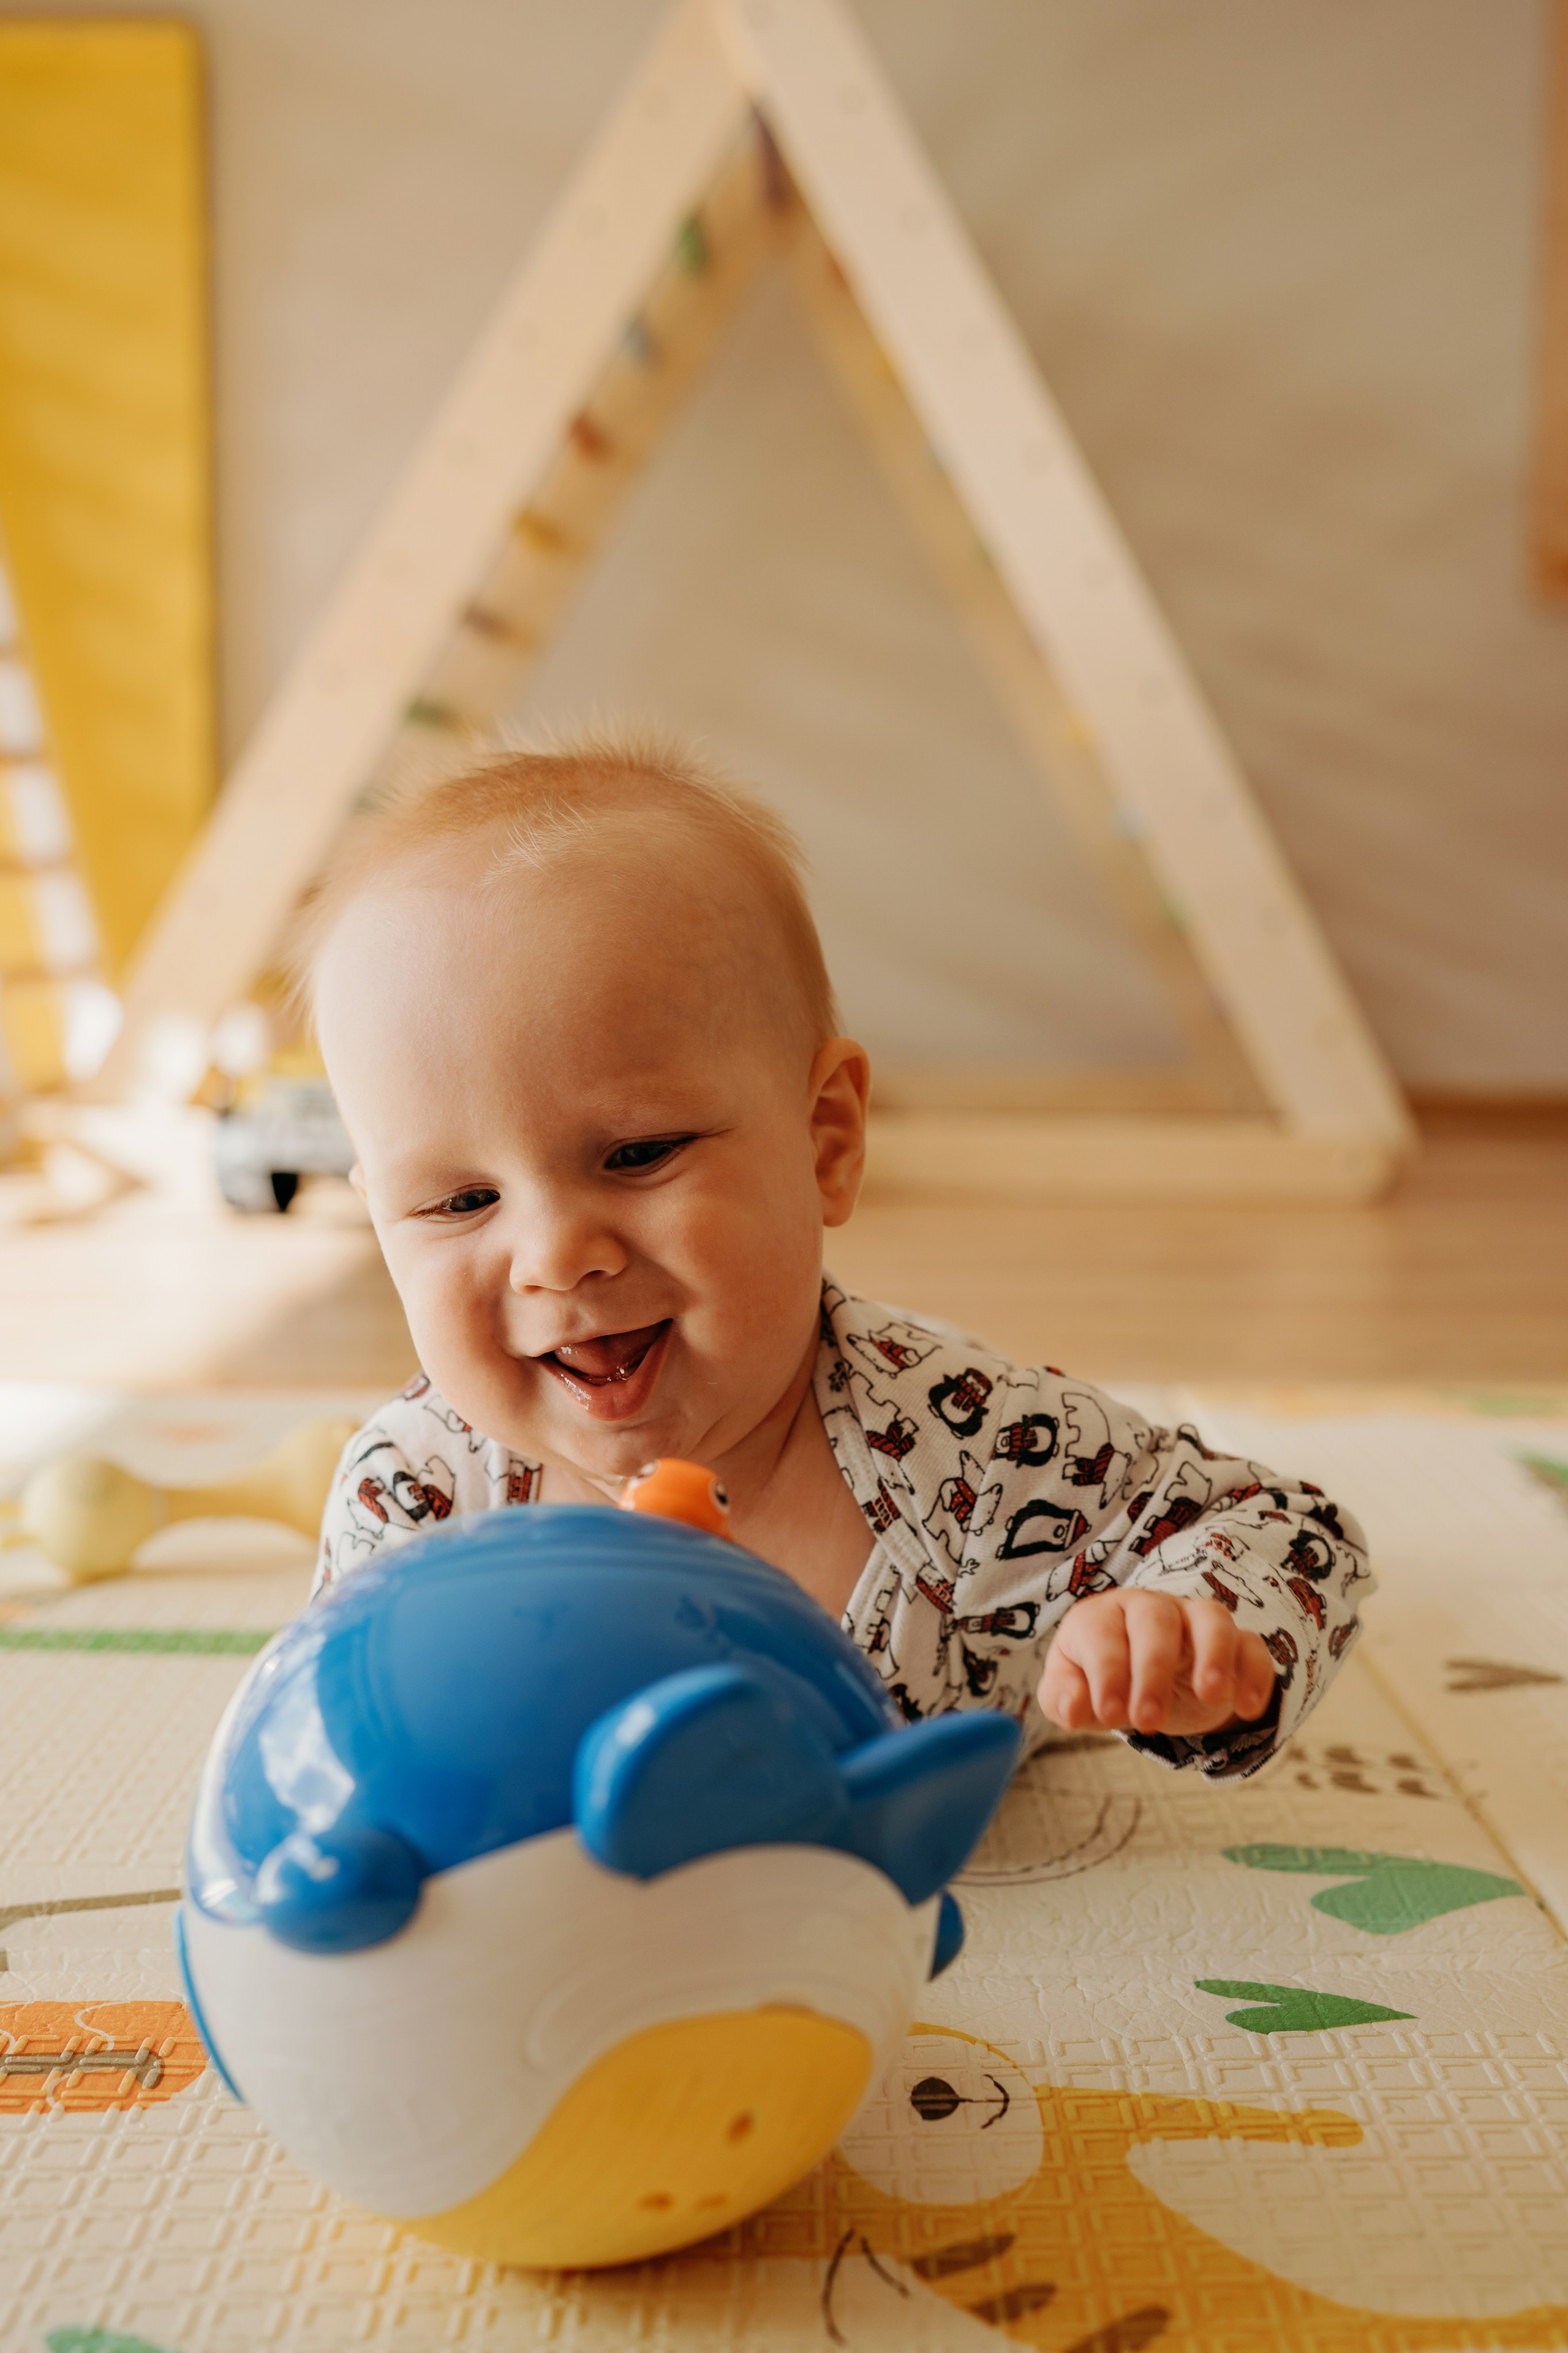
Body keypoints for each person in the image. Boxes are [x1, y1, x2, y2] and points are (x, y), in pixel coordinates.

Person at [297, 734, 1370, 1778]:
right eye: (460, 1199)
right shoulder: (418, 1499)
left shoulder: (967, 1447)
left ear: (824, 1141)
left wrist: (1182, 1630)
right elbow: (335, 1730)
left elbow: (1288, 1529)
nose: (557, 1257)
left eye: (637, 1152)